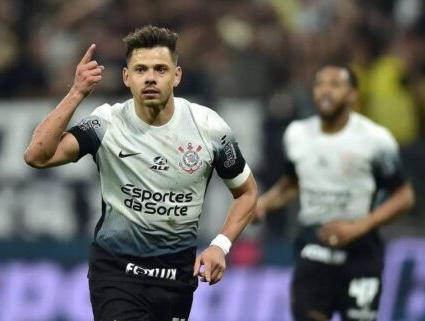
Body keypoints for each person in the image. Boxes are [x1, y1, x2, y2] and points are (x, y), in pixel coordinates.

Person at [24, 25, 258, 321]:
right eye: (141, 69)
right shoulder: (106, 124)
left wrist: (219, 246)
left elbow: (247, 193)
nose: (150, 77)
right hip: (116, 275)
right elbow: (37, 156)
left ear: (177, 76)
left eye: (160, 69)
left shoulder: (210, 129)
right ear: (126, 77)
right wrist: (76, 93)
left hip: (176, 280)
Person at [255, 65, 415, 321]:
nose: (325, 91)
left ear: (352, 95)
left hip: (360, 254)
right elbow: (292, 185)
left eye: (335, 85)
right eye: (320, 84)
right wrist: (263, 203)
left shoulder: (376, 140)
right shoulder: (297, 134)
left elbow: (404, 196)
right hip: (314, 249)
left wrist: (360, 226)